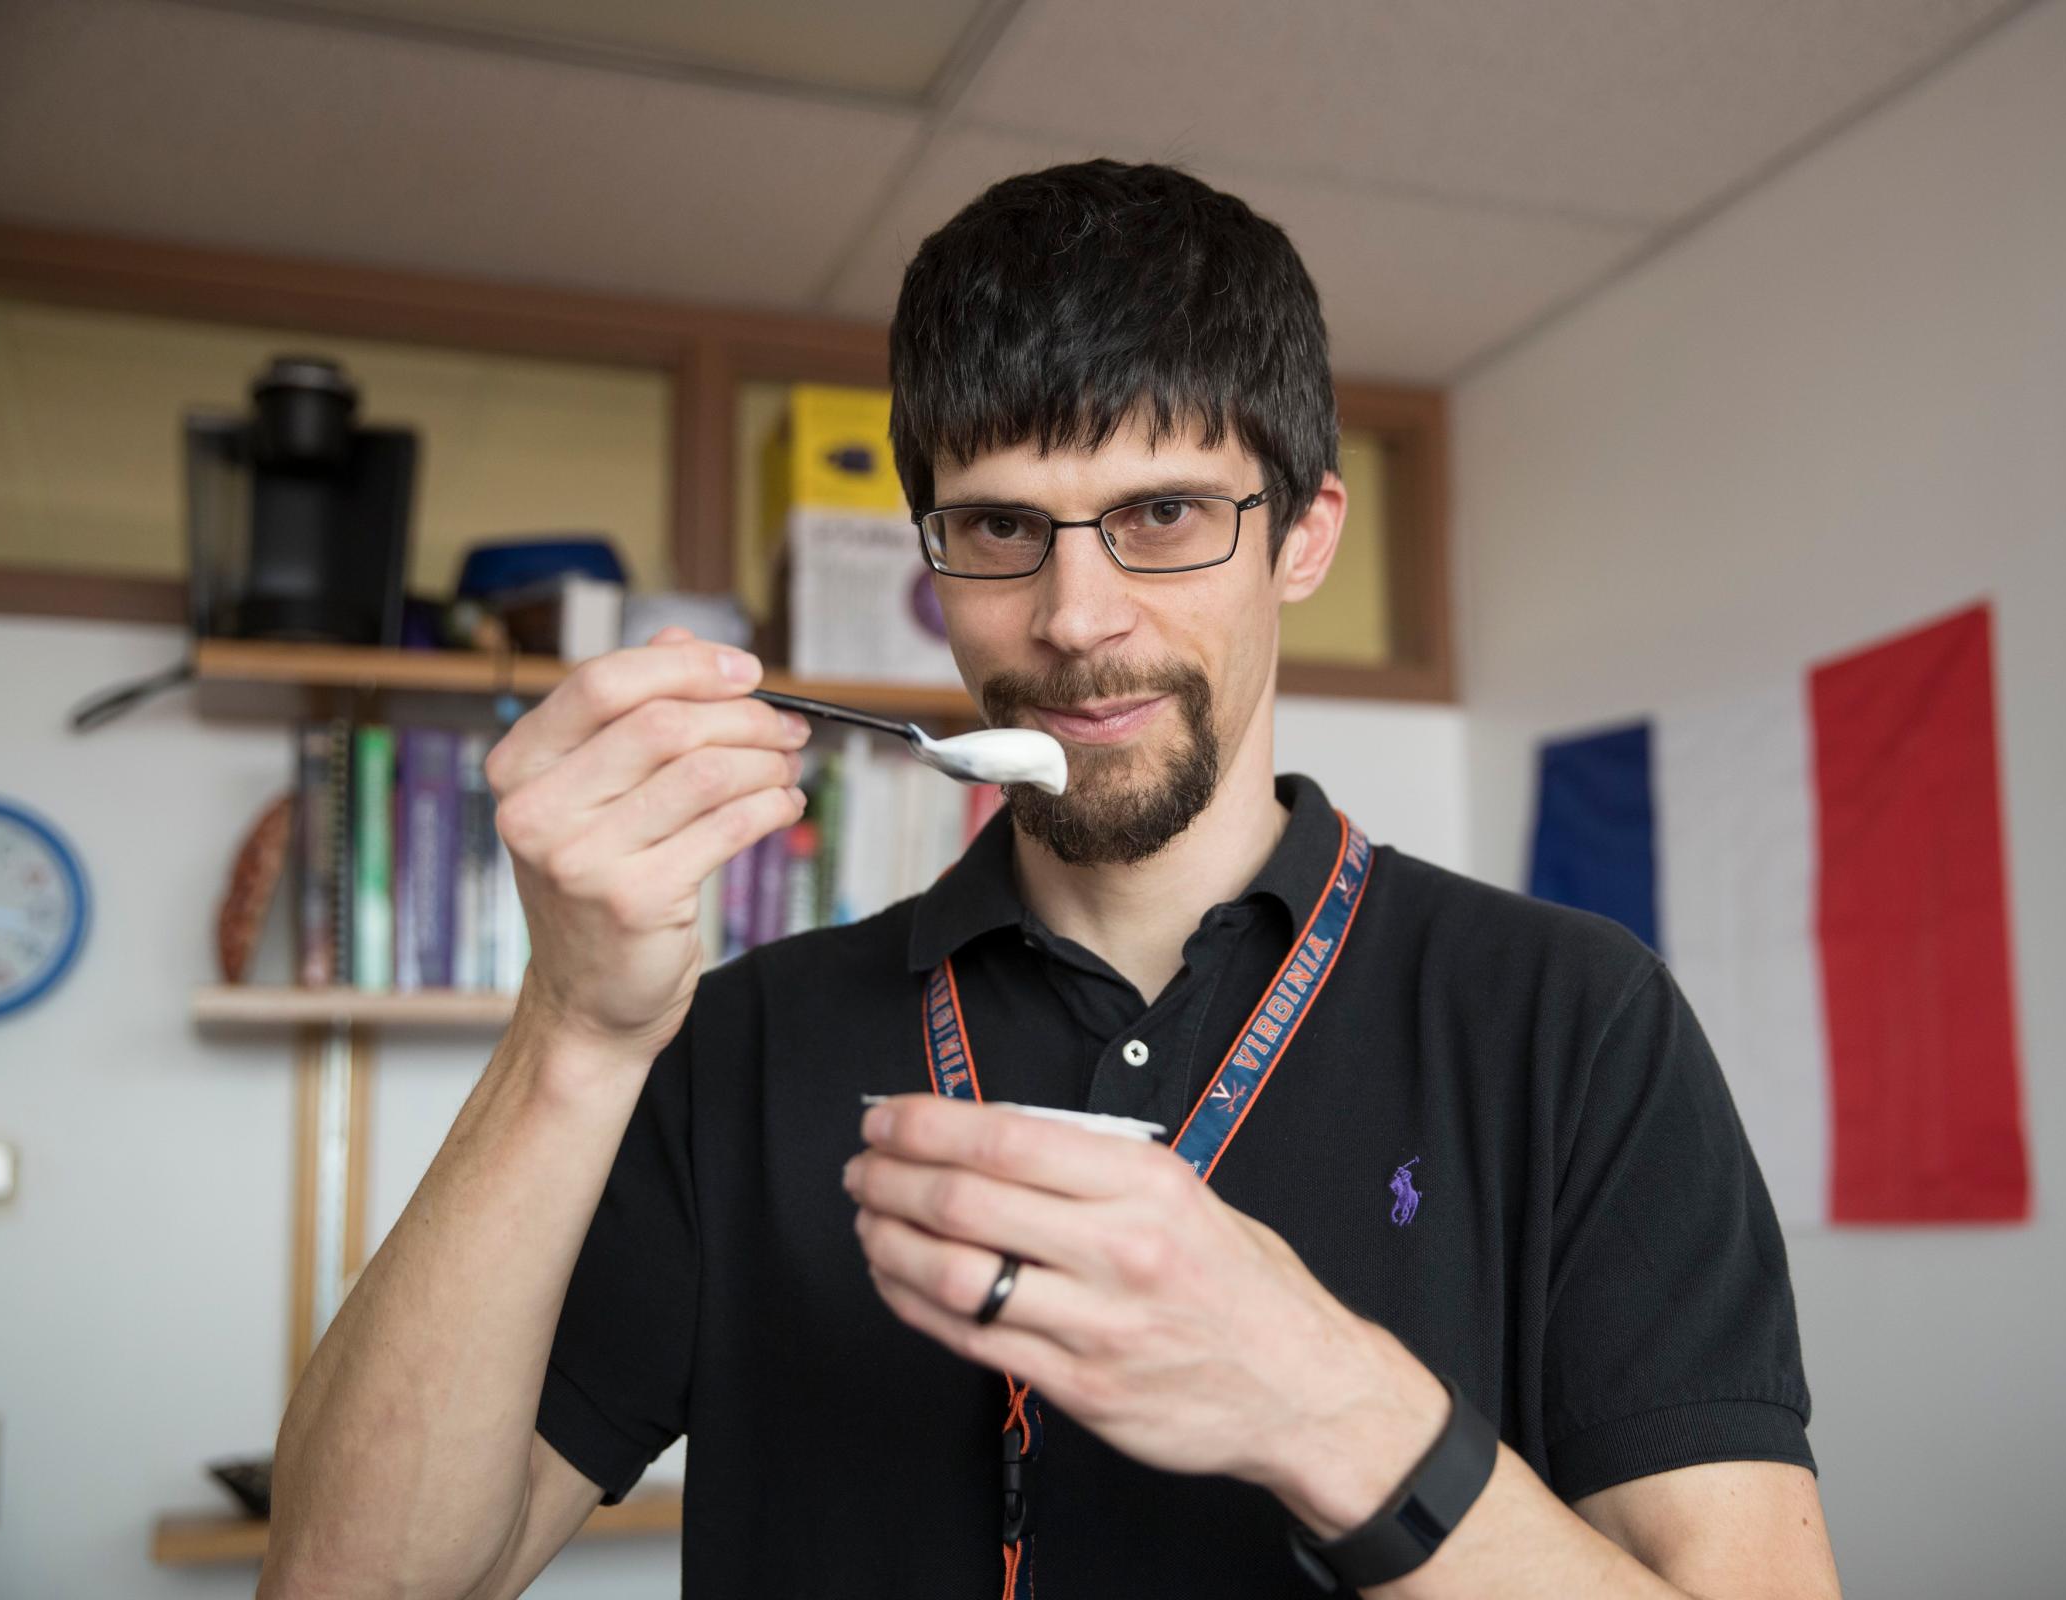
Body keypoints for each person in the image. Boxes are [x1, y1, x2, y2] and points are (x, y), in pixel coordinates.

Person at [262, 160, 1842, 1600]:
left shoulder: (1574, 1018)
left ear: (1301, 535)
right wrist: (573, 1032)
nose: (1074, 617)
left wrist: (1328, 1405)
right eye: (1003, 529)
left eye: (1161, 514)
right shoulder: (742, 1042)